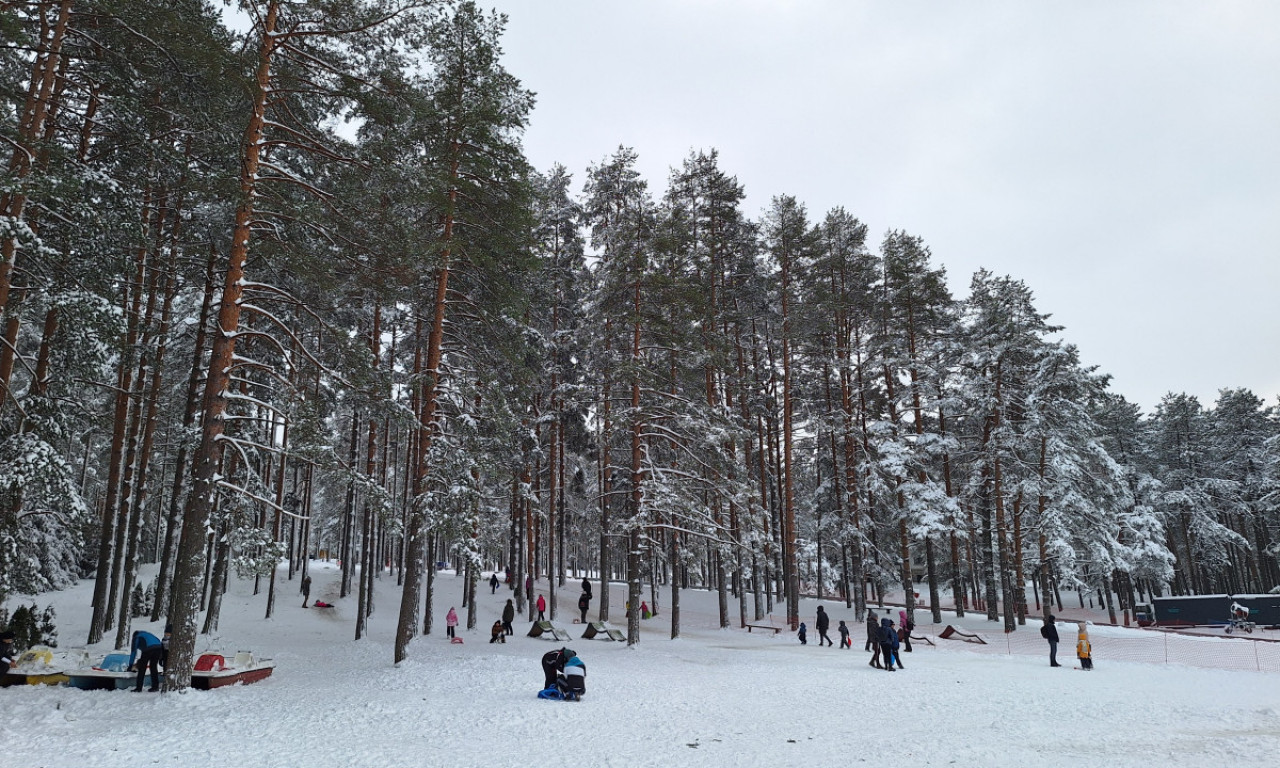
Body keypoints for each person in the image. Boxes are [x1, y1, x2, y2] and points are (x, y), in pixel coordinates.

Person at [129, 626, 169, 692]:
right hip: (158, 648)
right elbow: (158, 642)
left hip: (149, 648)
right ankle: (155, 687)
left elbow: (133, 652)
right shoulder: (147, 634)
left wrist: (130, 665)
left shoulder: (137, 637)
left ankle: (138, 688)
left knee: (142, 668)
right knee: (153, 667)